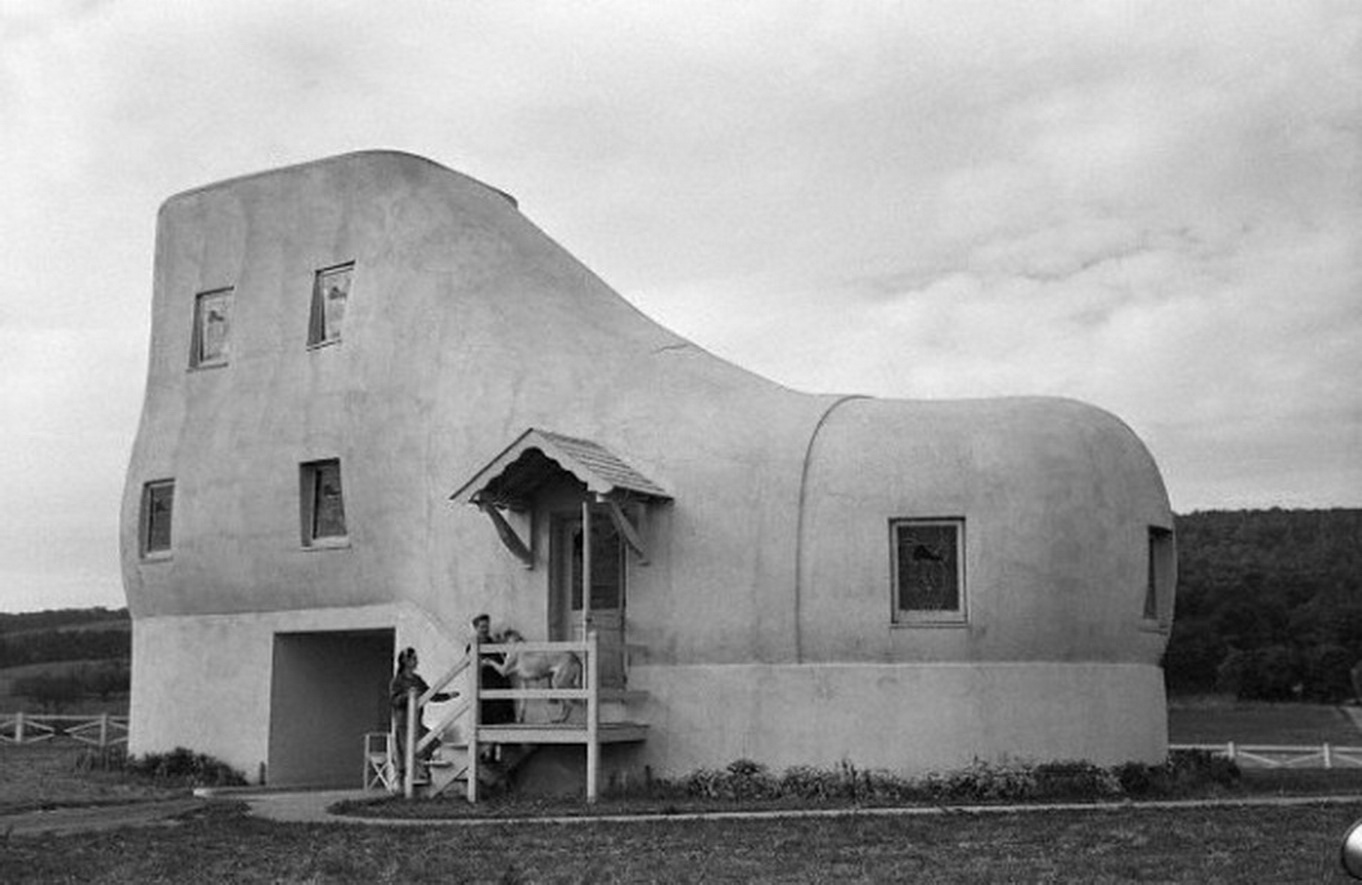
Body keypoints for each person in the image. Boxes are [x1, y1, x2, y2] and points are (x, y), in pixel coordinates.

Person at [389, 647, 454, 782]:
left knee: (432, 743)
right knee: (407, 753)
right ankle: (405, 782)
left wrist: (447, 696)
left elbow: (430, 694)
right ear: (405, 661)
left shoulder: (417, 679)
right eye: (413, 658)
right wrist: (408, 695)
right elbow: (394, 701)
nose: (416, 661)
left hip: (417, 721)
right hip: (404, 723)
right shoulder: (398, 681)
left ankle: (423, 774)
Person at [469, 614, 516, 727]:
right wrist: (484, 663)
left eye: (487, 626)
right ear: (476, 628)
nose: (485, 630)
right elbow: (472, 665)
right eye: (482, 627)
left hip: (501, 686)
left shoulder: (495, 644)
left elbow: (506, 661)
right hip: (486, 687)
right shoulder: (472, 647)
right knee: (488, 722)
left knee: (506, 723)